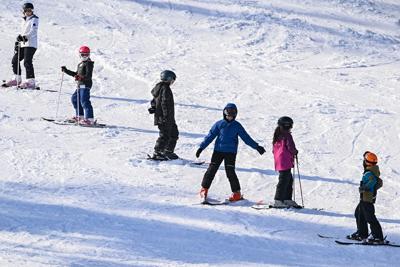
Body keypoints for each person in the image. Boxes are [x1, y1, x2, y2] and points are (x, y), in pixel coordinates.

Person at [196, 103, 266, 202]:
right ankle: (204, 189)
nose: (230, 117)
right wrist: (201, 147)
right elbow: (210, 136)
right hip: (218, 152)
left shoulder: (237, 126)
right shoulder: (219, 124)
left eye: (232, 115)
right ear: (224, 114)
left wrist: (257, 147)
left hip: (230, 153)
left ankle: (237, 194)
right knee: (211, 170)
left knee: (230, 172)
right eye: (228, 115)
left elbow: (246, 138)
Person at [347, 151, 384, 244]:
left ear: (367, 162)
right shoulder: (372, 170)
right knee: (359, 214)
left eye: (365, 160)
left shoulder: (369, 173)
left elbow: (374, 181)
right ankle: (362, 234)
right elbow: (379, 182)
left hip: (367, 199)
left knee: (370, 217)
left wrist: (365, 188)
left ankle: (378, 237)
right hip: (365, 198)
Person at [3, 3, 39, 89]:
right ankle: (17, 79)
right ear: (24, 11)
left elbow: (33, 31)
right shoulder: (24, 20)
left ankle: (30, 82)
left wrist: (25, 37)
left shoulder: (35, 19)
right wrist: (18, 40)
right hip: (23, 44)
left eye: (30, 10)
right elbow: (23, 32)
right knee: (15, 60)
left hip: (31, 44)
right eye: (27, 10)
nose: (29, 12)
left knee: (27, 61)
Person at [148, 70, 179, 160]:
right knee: (165, 135)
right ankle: (158, 152)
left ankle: (167, 151)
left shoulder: (159, 87)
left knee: (174, 133)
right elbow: (165, 103)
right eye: (172, 80)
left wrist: (153, 107)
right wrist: (166, 116)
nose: (173, 82)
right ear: (169, 79)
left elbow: (155, 100)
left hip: (165, 116)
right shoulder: (165, 89)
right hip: (166, 117)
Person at [61, 46, 95, 125]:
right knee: (74, 99)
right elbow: (76, 74)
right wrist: (66, 71)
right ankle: (80, 116)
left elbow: (88, 76)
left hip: (85, 85)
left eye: (87, 55)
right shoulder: (80, 64)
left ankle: (90, 119)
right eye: (83, 55)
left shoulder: (89, 64)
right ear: (80, 55)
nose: (85, 56)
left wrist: (80, 77)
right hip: (80, 85)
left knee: (84, 101)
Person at [272, 116, 299, 208]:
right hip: (285, 161)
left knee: (288, 179)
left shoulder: (277, 135)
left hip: (280, 161)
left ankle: (287, 198)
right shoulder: (287, 135)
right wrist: (295, 152)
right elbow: (291, 147)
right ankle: (278, 199)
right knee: (284, 180)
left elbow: (274, 150)